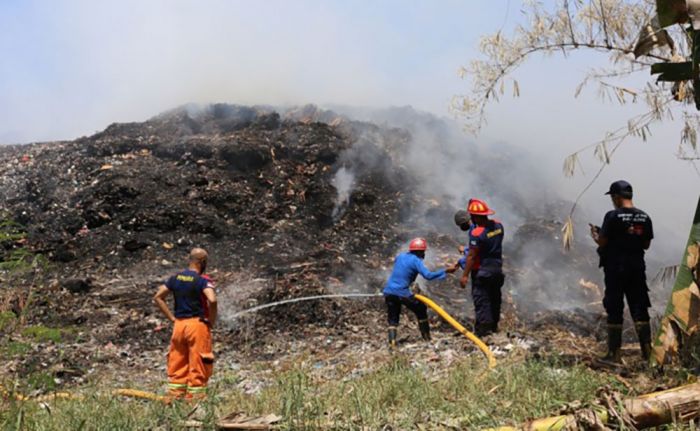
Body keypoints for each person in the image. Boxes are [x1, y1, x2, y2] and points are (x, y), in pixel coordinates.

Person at [591, 180, 653, 361]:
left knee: (614, 307)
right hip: (637, 268)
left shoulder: (612, 216)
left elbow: (603, 242)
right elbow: (646, 244)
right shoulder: (644, 216)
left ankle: (614, 354)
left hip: (616, 269)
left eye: (612, 197)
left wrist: (596, 235)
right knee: (640, 307)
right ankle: (648, 354)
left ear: (616, 197)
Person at [154, 248, 217, 399]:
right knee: (199, 361)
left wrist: (171, 318)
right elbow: (212, 300)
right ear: (202, 262)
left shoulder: (176, 278)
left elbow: (158, 297)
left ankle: (176, 396)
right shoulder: (202, 280)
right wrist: (211, 321)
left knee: (178, 360)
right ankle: (195, 400)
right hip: (197, 325)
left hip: (179, 326)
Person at [383, 238, 456, 348]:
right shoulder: (416, 261)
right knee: (421, 309)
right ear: (420, 252)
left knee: (393, 319)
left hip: (388, 292)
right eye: (423, 251)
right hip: (402, 293)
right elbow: (428, 276)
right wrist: (445, 271)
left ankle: (392, 344)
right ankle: (426, 338)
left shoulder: (401, 256)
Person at [459, 199, 505, 337]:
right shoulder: (499, 226)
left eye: (472, 216)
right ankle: (494, 326)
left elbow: (472, 256)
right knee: (495, 298)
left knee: (482, 299)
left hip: (482, 271)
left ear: (476, 216)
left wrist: (465, 275)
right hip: (497, 269)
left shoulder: (477, 233)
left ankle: (484, 332)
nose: (471, 219)